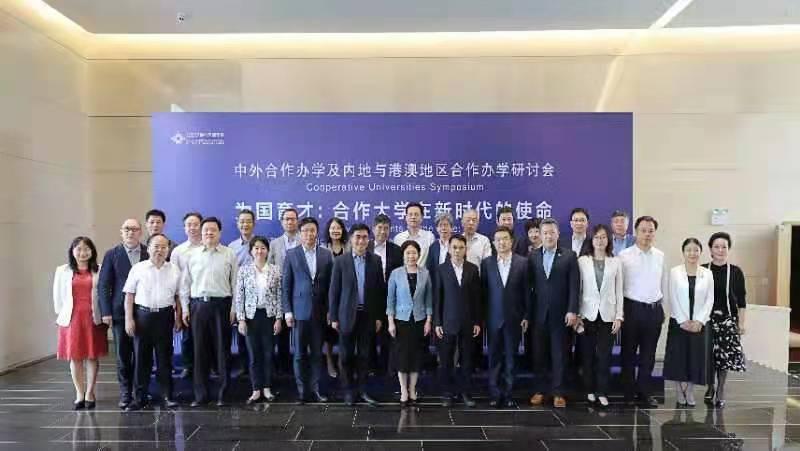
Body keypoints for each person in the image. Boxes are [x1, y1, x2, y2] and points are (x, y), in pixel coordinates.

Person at [180, 217, 238, 407]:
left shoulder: (229, 254)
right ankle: (201, 395)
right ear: (201, 232)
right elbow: (185, 285)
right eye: (205, 230)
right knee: (199, 352)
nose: (209, 233)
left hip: (222, 306)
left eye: (213, 230)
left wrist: (234, 308)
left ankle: (223, 394)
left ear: (219, 233)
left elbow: (236, 284)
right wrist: (185, 308)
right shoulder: (192, 255)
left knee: (223, 351)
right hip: (198, 306)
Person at [122, 234, 183, 410]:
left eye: (164, 247)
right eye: (156, 246)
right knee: (141, 359)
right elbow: (129, 296)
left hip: (165, 317)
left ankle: (167, 396)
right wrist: (128, 319)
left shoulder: (174, 270)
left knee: (165, 359)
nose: (160, 250)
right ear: (148, 248)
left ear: (168, 250)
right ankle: (139, 398)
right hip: (142, 317)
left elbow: (178, 296)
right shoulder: (138, 269)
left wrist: (178, 317)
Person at [330, 223, 387, 406]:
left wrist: (379, 317)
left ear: (368, 239)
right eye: (358, 237)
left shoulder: (375, 260)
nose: (361, 241)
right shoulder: (341, 261)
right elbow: (334, 291)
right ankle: (348, 391)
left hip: (368, 316)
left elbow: (380, 291)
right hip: (346, 315)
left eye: (364, 237)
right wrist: (334, 317)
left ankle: (362, 390)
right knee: (345, 355)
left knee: (364, 356)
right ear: (351, 239)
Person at [527, 218, 579, 408]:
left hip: (561, 314)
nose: (548, 236)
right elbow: (528, 287)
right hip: (538, 313)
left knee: (560, 354)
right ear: (540, 235)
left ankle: (559, 392)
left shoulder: (569, 256)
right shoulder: (533, 256)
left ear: (558, 234)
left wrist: (572, 310)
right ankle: (540, 390)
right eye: (545, 233)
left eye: (552, 233)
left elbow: (574, 286)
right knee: (539, 354)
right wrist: (527, 314)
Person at [98, 218, 148, 409]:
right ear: (121, 232)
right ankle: (126, 393)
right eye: (126, 229)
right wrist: (106, 311)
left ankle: (141, 393)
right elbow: (104, 285)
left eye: (134, 229)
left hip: (144, 311)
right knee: (123, 355)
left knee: (142, 355)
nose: (130, 232)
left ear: (140, 232)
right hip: (119, 312)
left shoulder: (148, 252)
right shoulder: (112, 254)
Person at [282, 218, 333, 404]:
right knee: (299, 355)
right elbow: (286, 286)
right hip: (299, 313)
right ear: (300, 233)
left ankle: (316, 390)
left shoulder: (326, 255)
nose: (309, 234)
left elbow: (331, 287)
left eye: (312, 230)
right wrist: (287, 311)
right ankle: (302, 392)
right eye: (305, 231)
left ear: (317, 232)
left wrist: (330, 310)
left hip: (320, 312)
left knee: (317, 354)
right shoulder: (292, 254)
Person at [54, 236, 108, 410]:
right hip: (72, 319)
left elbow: (104, 293)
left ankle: (90, 392)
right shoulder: (62, 270)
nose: (83, 252)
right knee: (75, 357)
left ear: (92, 251)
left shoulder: (100, 269)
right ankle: (79, 393)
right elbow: (57, 297)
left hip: (93, 318)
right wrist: (62, 316)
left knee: (92, 356)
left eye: (86, 249)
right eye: (79, 249)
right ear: (72, 251)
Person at [618, 216, 666, 408]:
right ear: (636, 232)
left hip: (654, 310)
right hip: (631, 309)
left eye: (651, 230)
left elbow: (662, 283)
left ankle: (645, 393)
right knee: (628, 354)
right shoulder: (624, 256)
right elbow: (619, 286)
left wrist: (663, 309)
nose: (647, 234)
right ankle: (628, 394)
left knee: (649, 354)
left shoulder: (660, 255)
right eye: (643, 230)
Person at [481, 226, 529, 408]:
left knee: (511, 359)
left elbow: (527, 292)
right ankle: (494, 394)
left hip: (514, 318)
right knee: (493, 358)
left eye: (505, 239)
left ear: (511, 241)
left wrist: (526, 315)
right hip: (493, 318)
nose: (501, 242)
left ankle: (509, 394)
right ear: (494, 243)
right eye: (498, 239)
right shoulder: (487, 263)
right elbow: (484, 292)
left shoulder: (522, 263)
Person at [576, 224, 623, 408]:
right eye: (596, 237)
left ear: (608, 240)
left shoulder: (616, 262)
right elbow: (578, 290)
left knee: (604, 356)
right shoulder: (582, 261)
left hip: (608, 316)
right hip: (587, 315)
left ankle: (602, 391)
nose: (600, 240)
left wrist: (619, 316)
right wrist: (578, 314)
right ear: (591, 239)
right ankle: (589, 390)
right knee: (587, 356)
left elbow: (619, 291)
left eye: (603, 237)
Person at [664, 238, 715, 408]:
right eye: (689, 250)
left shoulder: (707, 273)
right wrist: (682, 320)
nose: (692, 253)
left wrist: (700, 321)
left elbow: (710, 299)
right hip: (679, 323)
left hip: (700, 324)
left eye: (696, 250)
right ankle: (679, 390)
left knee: (696, 358)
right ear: (683, 252)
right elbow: (672, 296)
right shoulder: (675, 272)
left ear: (700, 252)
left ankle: (690, 391)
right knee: (678, 358)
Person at [434, 234, 481, 408]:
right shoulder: (440, 269)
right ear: (448, 249)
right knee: (446, 360)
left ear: (465, 249)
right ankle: (447, 394)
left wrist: (477, 321)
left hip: (468, 322)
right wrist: (437, 322)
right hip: (447, 322)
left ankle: (465, 393)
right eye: (454, 247)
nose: (457, 251)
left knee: (467, 360)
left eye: (461, 247)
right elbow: (437, 298)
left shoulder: (472, 269)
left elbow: (477, 298)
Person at [235, 236, 283, 404]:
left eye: (263, 248)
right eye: (256, 248)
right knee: (254, 355)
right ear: (251, 251)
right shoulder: (244, 270)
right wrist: (241, 319)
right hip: (251, 317)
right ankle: (256, 389)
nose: (259, 251)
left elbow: (279, 295)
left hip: (269, 316)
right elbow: (239, 296)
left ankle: (267, 388)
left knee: (268, 354)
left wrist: (279, 318)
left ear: (268, 251)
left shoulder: (275, 270)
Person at [702, 232, 747, 408]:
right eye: (716, 247)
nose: (720, 250)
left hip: (727, 320)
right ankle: (710, 386)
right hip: (707, 320)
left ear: (728, 249)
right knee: (708, 357)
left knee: (724, 358)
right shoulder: (703, 270)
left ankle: (720, 389)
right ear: (710, 249)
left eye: (724, 247)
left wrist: (741, 324)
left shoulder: (735, 271)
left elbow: (742, 301)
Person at [387, 241, 433, 409]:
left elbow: (429, 299)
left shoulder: (425, 273)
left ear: (419, 254)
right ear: (403, 255)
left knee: (416, 357)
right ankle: (403, 391)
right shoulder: (395, 274)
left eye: (414, 253)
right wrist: (390, 322)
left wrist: (428, 320)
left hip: (419, 321)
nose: (411, 256)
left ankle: (412, 389)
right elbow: (390, 300)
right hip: (401, 321)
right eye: (408, 253)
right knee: (402, 358)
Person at [368, 214, 403, 377]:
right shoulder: (365, 246)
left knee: (389, 335)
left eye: (386, 228)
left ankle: (387, 368)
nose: (383, 231)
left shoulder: (396, 250)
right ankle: (371, 367)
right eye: (380, 228)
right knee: (369, 334)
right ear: (373, 229)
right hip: (370, 298)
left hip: (391, 298)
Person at [171, 212, 203, 379]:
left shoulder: (210, 246)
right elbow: (174, 278)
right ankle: (188, 366)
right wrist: (179, 304)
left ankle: (209, 365)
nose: (192, 228)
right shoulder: (178, 251)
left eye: (196, 224)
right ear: (184, 228)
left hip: (204, 297)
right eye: (189, 225)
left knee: (207, 335)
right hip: (186, 298)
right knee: (187, 336)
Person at [268, 208, 300, 375]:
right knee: (281, 333)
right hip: (281, 292)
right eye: (286, 219)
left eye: (293, 219)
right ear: (282, 222)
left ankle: (300, 366)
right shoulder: (274, 244)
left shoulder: (305, 239)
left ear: (297, 221)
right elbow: (269, 267)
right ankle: (283, 367)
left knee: (301, 331)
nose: (290, 222)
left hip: (301, 292)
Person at [228, 209, 257, 376]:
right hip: (240, 294)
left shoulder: (261, 243)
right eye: (242, 221)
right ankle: (245, 367)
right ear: (238, 223)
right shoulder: (231, 247)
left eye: (248, 221)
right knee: (242, 331)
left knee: (258, 333)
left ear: (254, 223)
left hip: (259, 295)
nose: (245, 224)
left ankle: (259, 367)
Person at [322, 217, 348, 377]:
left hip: (346, 296)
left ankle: (342, 362)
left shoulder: (349, 248)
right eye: (333, 228)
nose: (335, 231)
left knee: (344, 331)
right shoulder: (323, 250)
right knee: (329, 333)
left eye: (338, 228)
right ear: (328, 231)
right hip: (327, 295)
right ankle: (329, 361)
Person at [426, 212, 454, 285]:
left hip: (453, 284)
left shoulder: (456, 244)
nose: (443, 228)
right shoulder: (433, 247)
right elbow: (429, 268)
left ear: (451, 228)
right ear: (437, 228)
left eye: (446, 225)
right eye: (440, 225)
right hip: (437, 284)